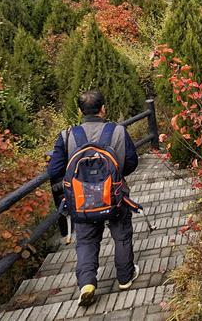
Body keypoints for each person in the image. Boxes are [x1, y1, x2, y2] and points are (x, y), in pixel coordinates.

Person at [47, 89, 140, 307]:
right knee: (121, 235)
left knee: (86, 240)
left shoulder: (67, 136)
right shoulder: (118, 131)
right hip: (114, 194)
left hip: (80, 200)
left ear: (80, 111)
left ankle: (87, 283)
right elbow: (132, 162)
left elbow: (54, 171)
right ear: (103, 109)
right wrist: (114, 176)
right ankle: (125, 278)